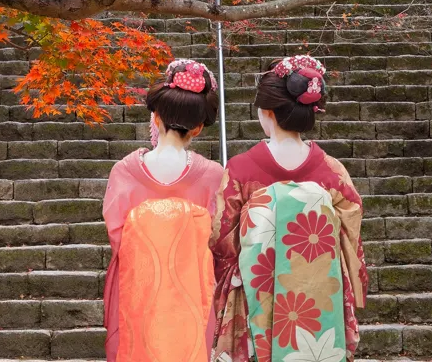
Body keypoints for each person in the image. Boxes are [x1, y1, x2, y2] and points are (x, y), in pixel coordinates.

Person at [212, 55, 368, 362]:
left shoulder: (241, 169)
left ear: (266, 112)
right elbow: (350, 237)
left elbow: (222, 240)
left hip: (255, 297)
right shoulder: (332, 172)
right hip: (318, 297)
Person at [101, 58, 225, 362]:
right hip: (192, 295)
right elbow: (220, 239)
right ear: (197, 128)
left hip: (138, 292)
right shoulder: (213, 175)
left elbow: (117, 237)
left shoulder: (125, 171)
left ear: (155, 118)